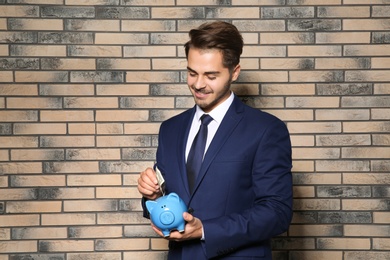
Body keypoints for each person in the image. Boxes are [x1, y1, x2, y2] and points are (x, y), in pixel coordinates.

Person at [137, 21, 293, 260]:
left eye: (211, 75)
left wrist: (206, 230)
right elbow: (168, 201)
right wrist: (153, 197)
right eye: (192, 73)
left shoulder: (266, 130)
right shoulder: (170, 129)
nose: (198, 84)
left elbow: (277, 212)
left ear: (235, 72)